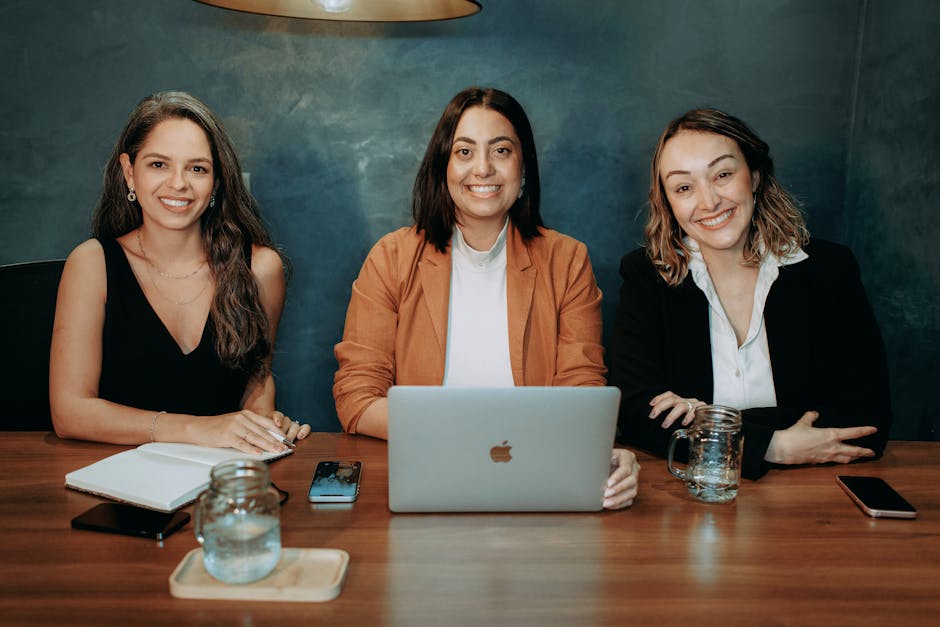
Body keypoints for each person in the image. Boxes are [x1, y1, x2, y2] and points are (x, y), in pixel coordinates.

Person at [333, 87, 639, 509]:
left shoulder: (567, 260)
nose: (483, 168)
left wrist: (596, 453)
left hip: (538, 477)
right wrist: (468, 434)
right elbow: (357, 398)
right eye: (464, 151)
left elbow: (582, 394)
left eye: (500, 150)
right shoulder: (391, 258)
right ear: (442, 166)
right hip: (424, 475)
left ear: (523, 168)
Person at [609, 107, 891, 480]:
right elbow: (635, 416)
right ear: (668, 202)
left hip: (813, 496)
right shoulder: (646, 277)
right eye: (684, 187)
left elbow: (867, 420)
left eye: (723, 174)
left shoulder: (829, 270)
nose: (708, 202)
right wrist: (774, 446)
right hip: (695, 494)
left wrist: (708, 419)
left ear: (755, 176)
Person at [50, 91, 310, 454]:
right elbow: (70, 412)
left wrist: (260, 425)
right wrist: (199, 429)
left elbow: (257, 380)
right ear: (129, 172)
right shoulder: (91, 264)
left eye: (197, 168)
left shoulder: (261, 268)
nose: (178, 184)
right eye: (158, 164)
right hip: (115, 479)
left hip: (217, 478)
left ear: (216, 183)